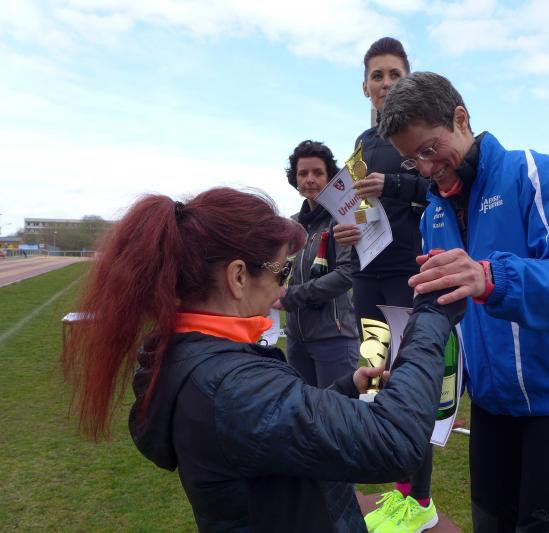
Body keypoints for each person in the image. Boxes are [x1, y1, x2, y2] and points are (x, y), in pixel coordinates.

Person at [60, 187, 465, 533]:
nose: (282, 288)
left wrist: (345, 389)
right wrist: (432, 314)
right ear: (238, 277)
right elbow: (395, 442)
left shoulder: (192, 354)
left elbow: (274, 431)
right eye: (282, 271)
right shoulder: (230, 386)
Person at [379, 72, 549, 533]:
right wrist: (415, 374)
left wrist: (490, 277)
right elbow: (447, 318)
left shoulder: (533, 173)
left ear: (460, 118)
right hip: (492, 405)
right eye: (412, 160)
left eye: (429, 149)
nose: (424, 169)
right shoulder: (433, 215)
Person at [332, 37, 438, 533]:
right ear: (365, 86)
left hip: (407, 274)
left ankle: (421, 501)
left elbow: (438, 187)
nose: (387, 83)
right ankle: (398, 489)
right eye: (378, 75)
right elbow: (356, 206)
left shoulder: (419, 134)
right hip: (367, 277)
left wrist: (393, 184)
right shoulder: (361, 144)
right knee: (375, 379)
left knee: (410, 383)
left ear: (408, 79)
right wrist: (347, 228)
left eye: (396, 74)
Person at [275, 140, 359, 388]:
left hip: (333, 339)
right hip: (296, 339)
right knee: (302, 409)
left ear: (330, 178)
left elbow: (347, 274)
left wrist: (290, 296)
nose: (309, 179)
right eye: (303, 174)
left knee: (333, 410)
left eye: (317, 173)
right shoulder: (291, 225)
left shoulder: (342, 220)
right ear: (295, 179)